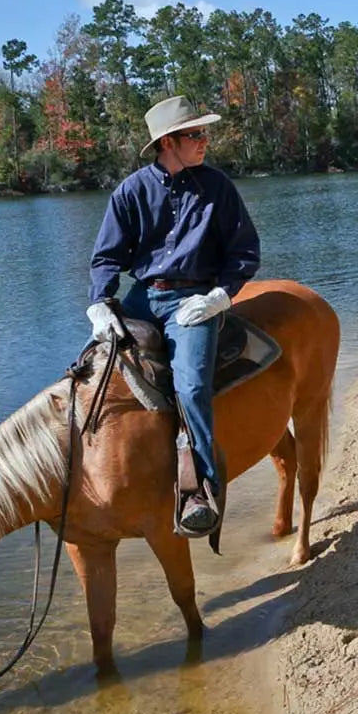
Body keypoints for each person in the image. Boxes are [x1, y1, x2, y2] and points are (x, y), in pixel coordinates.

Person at [86, 95, 261, 535]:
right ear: (168, 141)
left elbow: (244, 251)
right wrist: (100, 303)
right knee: (90, 368)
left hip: (195, 299)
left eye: (203, 133)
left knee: (193, 383)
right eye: (195, 134)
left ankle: (201, 487)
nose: (205, 141)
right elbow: (106, 258)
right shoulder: (130, 192)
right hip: (143, 297)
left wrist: (220, 296)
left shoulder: (218, 187)